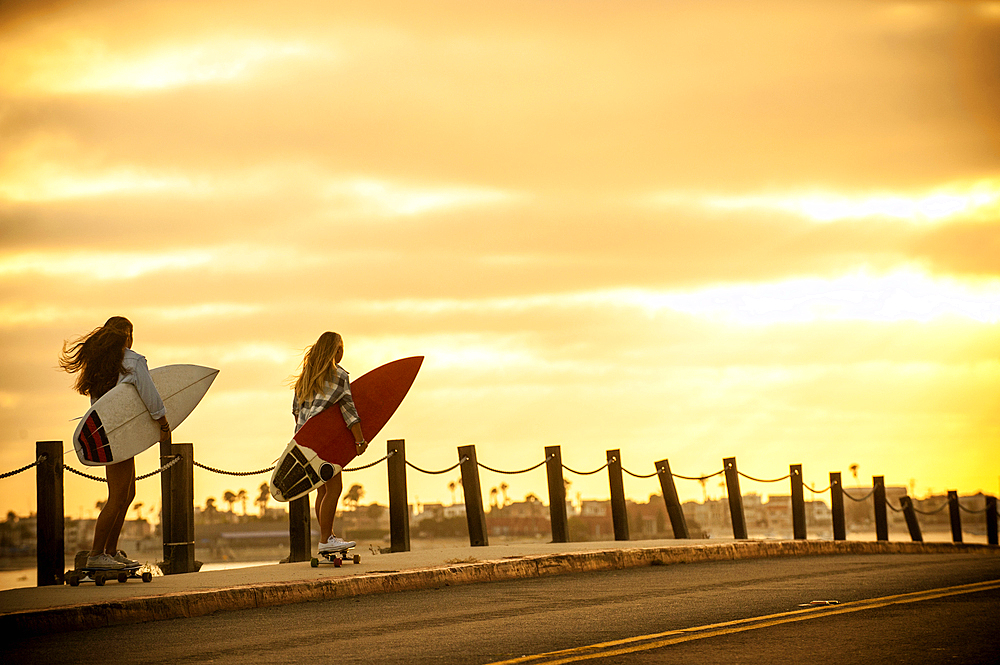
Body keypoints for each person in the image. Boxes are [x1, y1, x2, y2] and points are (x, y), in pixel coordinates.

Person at [59, 316, 170, 570]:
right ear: (127, 335)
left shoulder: (101, 365)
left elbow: (99, 406)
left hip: (108, 433)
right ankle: (96, 555)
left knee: (128, 493)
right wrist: (162, 424)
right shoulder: (132, 361)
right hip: (120, 435)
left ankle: (110, 551)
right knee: (117, 496)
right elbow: (150, 395)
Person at [291, 331, 367, 554]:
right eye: (341, 348)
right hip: (326, 440)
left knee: (322, 491)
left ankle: (328, 537)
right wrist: (359, 441)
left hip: (304, 441)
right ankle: (326, 540)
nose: (342, 352)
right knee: (335, 487)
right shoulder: (339, 375)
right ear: (336, 351)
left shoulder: (304, 378)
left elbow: (296, 414)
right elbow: (349, 412)